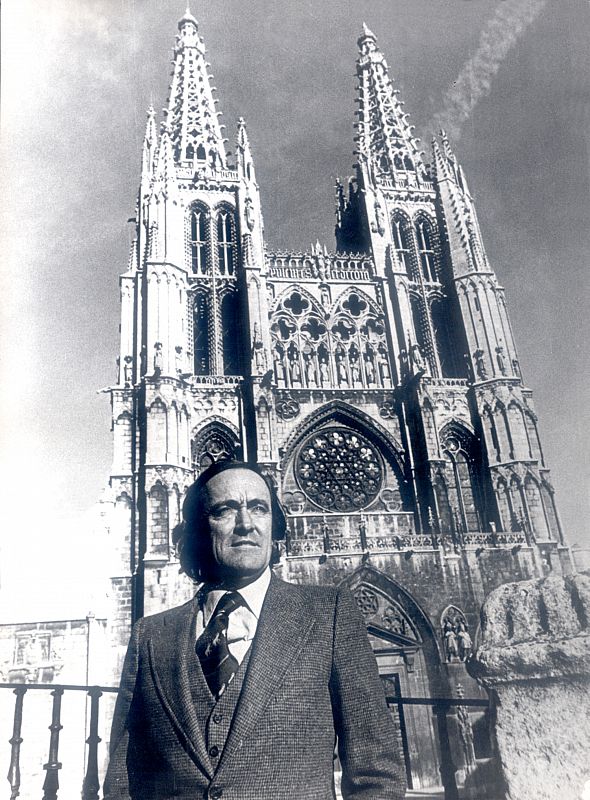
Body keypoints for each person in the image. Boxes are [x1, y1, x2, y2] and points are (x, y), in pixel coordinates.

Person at [103, 461, 405, 800]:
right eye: (225, 510)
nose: (246, 524)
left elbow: (376, 774)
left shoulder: (329, 614)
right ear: (200, 530)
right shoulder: (151, 636)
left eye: (259, 508)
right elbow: (122, 780)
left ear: (274, 524)